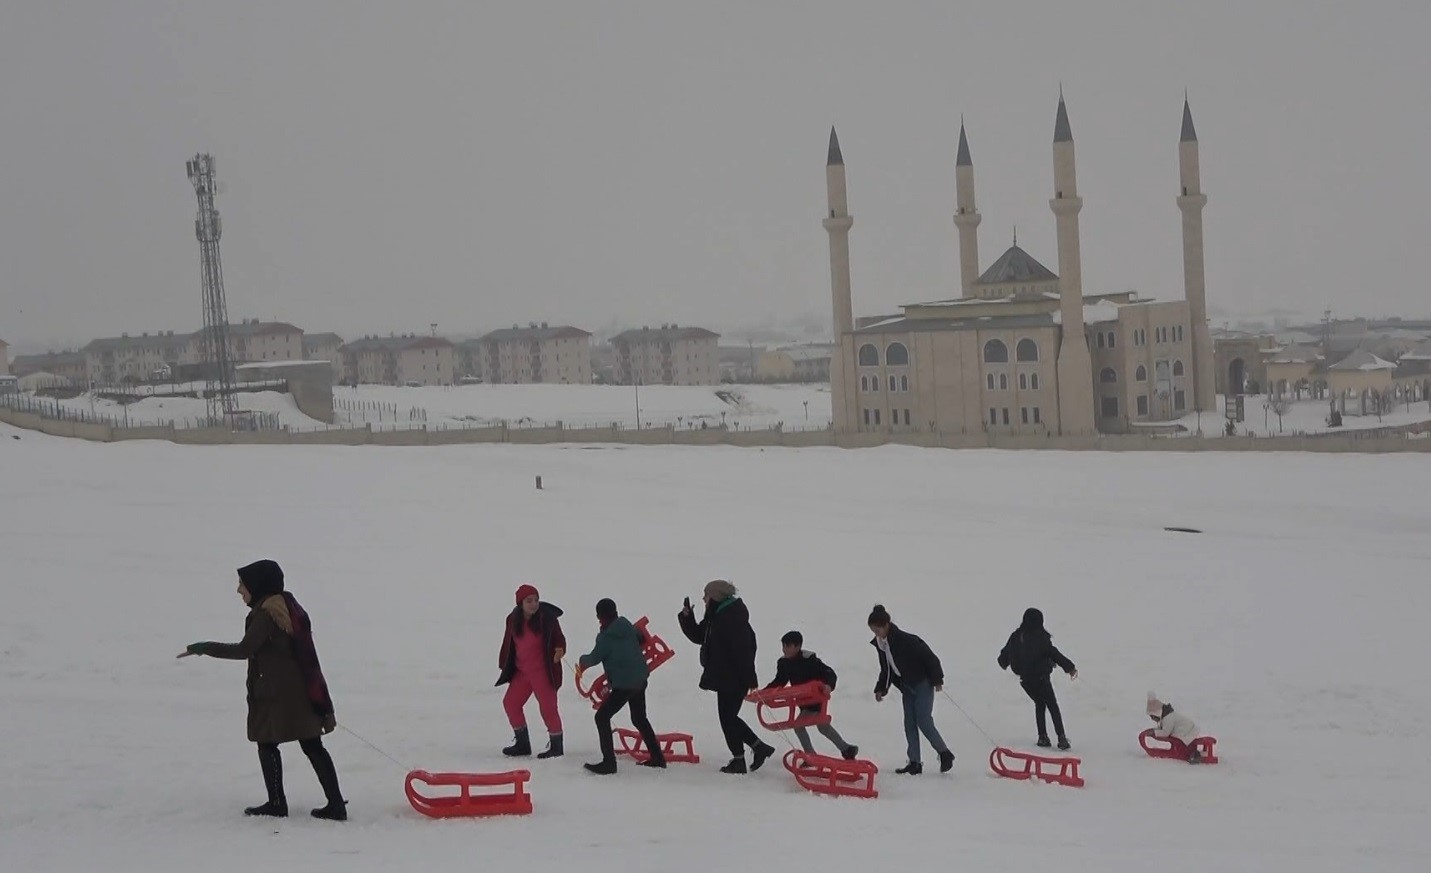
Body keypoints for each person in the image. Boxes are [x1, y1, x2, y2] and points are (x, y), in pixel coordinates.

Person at [183, 559, 347, 820]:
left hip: (278, 697)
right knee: (312, 745)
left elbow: (244, 649)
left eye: (242, 584)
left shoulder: (266, 613)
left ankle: (277, 803)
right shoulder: (288, 606)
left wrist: (205, 648)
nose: (239, 590)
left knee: (266, 742)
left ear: (257, 586)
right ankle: (336, 804)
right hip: (301, 692)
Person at [677, 580, 776, 774]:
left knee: (728, 718)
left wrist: (750, 678)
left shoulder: (731, 618)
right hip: (725, 676)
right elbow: (699, 636)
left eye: (706, 595)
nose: (704, 599)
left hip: (734, 677)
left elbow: (744, 651)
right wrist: (687, 618)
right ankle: (754, 750)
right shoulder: (717, 614)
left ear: (715, 596)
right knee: (728, 718)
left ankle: (748, 754)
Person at [575, 598, 666, 774]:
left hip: (624, 685)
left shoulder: (605, 638)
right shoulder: (627, 627)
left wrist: (581, 661)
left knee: (601, 717)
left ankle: (609, 763)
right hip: (640, 679)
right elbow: (640, 637)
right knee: (639, 718)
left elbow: (593, 658)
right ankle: (657, 757)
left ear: (599, 617)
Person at [868, 605, 955, 775]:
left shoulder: (905, 640)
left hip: (922, 683)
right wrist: (881, 688)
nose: (876, 633)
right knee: (909, 723)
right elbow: (886, 669)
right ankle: (914, 762)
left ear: (886, 625)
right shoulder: (881, 645)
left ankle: (945, 753)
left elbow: (929, 657)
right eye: (873, 630)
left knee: (923, 721)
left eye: (877, 629)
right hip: (906, 687)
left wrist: (937, 679)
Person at [764, 631, 858, 760]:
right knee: (822, 726)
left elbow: (829, 674)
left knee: (800, 725)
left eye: (787, 646)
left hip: (816, 701)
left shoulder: (809, 660)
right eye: (783, 646)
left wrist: (828, 686)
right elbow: (779, 681)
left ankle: (811, 755)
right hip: (803, 703)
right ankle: (846, 749)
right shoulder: (784, 663)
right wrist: (765, 692)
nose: (784, 649)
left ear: (797, 647)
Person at [496, 584, 566, 759]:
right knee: (511, 703)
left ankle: (556, 746)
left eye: (536, 600)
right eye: (529, 601)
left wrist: (559, 650)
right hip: (522, 672)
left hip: (543, 671)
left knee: (548, 708)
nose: (534, 604)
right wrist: (504, 662)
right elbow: (509, 642)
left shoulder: (547, 618)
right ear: (520, 603)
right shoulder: (512, 619)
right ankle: (522, 743)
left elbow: (559, 639)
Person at [997, 607, 1077, 750]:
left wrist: (1003, 663)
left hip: (1026, 681)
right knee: (1052, 705)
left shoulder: (1016, 636)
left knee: (1040, 703)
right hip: (1041, 678)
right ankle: (1061, 737)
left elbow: (1004, 656)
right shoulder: (1041, 637)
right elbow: (1054, 653)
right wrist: (1069, 667)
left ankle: (1042, 737)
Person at [1147, 692, 1204, 763]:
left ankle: (1195, 755)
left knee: (1183, 743)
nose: (1152, 719)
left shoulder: (1168, 718)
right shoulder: (1166, 717)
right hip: (1186, 729)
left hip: (1186, 731)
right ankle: (1192, 753)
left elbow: (1165, 732)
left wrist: (1154, 732)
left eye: (1153, 717)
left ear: (1157, 714)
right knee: (1183, 742)